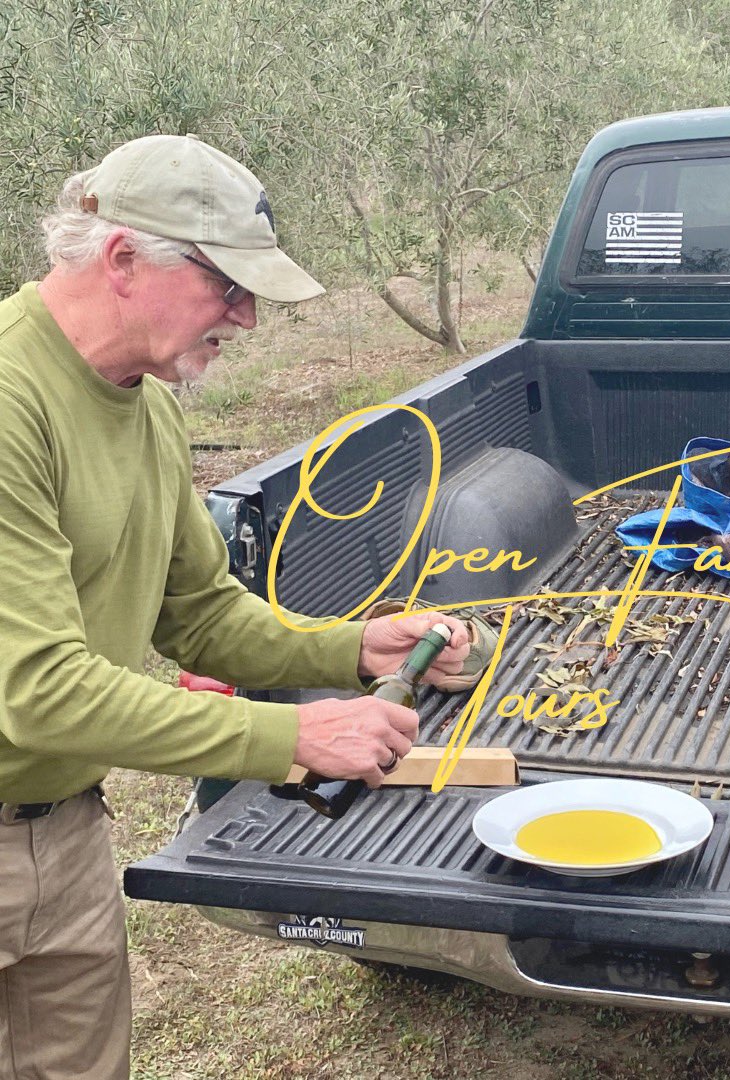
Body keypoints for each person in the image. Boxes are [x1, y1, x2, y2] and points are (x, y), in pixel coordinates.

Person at [0, 134, 473, 1080]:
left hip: (64, 831)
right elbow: (37, 689)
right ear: (124, 259)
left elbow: (201, 611)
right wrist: (290, 739)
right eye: (227, 285)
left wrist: (355, 650)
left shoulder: (147, 401)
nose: (247, 319)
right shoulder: (13, 401)